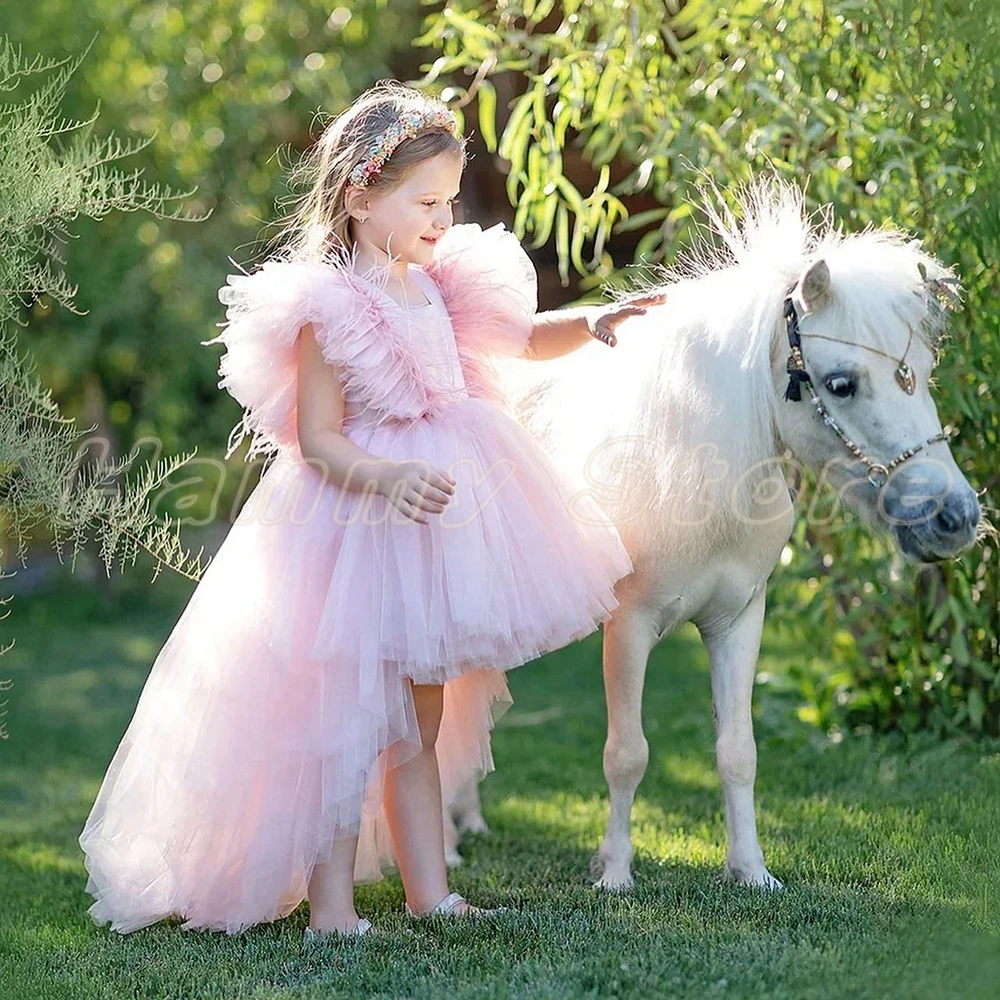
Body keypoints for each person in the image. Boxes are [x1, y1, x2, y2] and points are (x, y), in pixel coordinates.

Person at [77, 80, 661, 944]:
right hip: (348, 528)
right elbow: (316, 439)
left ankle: (432, 894)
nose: (440, 218)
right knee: (345, 725)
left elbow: (525, 338)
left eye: (448, 201)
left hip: (440, 531)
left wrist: (595, 319)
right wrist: (384, 478)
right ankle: (331, 909)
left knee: (418, 726)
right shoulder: (329, 307)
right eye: (424, 201)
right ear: (358, 195)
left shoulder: (442, 285)